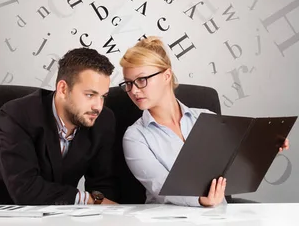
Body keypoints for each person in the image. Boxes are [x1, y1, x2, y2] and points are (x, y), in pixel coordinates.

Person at [119, 36, 289, 207]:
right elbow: (159, 185)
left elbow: (235, 163)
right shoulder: (135, 136)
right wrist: (200, 200)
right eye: (128, 83)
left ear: (166, 75)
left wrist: (266, 148)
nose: (133, 91)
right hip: (168, 218)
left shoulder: (206, 118)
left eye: (141, 80)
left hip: (218, 216)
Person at [0, 48, 119, 205]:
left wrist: (99, 208)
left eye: (103, 96)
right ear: (63, 89)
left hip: (53, 215)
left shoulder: (103, 120)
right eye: (90, 95)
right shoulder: (17, 114)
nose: (98, 106)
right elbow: (25, 189)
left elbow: (103, 184)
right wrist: (88, 200)